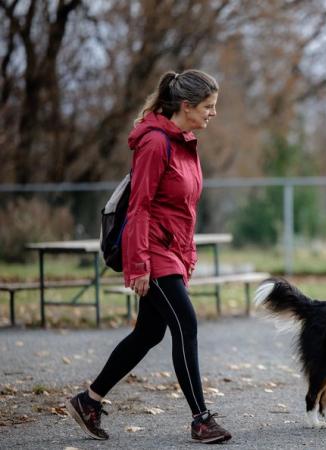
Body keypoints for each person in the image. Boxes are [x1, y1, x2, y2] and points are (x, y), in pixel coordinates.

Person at [67, 69, 231, 444]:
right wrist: (139, 264)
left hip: (171, 251)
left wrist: (187, 254)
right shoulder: (156, 144)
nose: (213, 113)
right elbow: (139, 207)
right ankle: (201, 420)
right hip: (152, 250)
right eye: (208, 106)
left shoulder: (186, 142)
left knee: (148, 333)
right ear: (186, 106)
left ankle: (88, 401)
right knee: (185, 324)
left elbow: (183, 207)